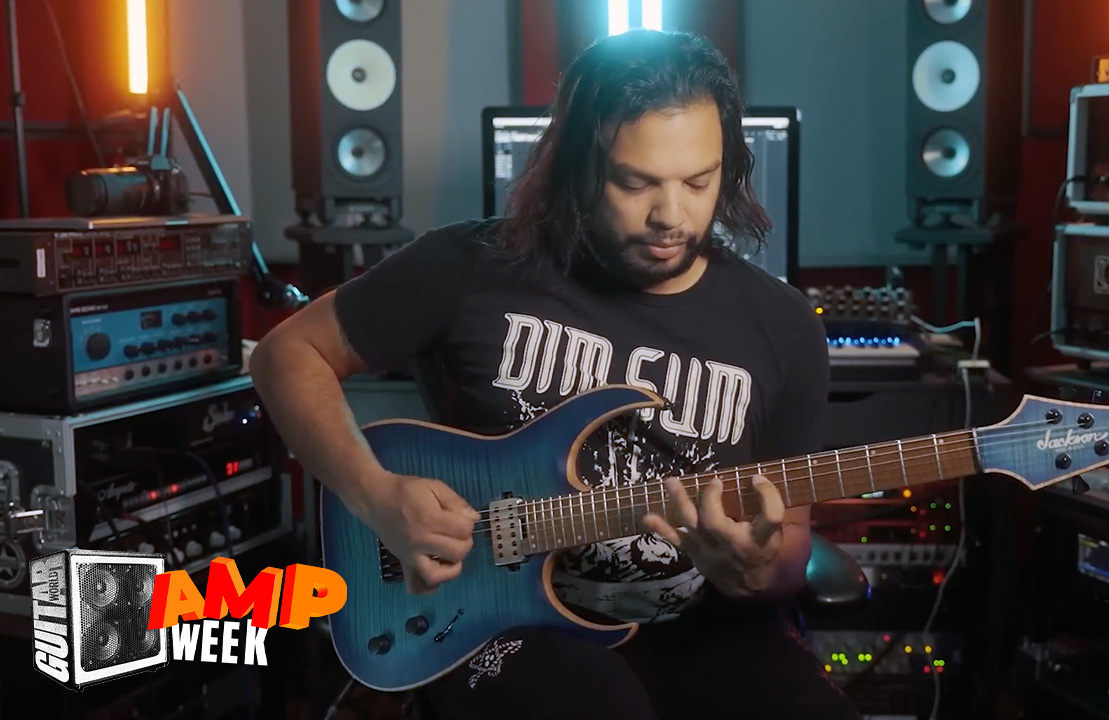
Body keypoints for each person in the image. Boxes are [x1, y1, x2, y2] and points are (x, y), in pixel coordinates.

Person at [250, 28, 861, 720]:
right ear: (577, 165)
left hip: (700, 629)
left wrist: (753, 570)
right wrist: (377, 496)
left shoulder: (783, 327)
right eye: (635, 182)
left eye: (699, 181)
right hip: (493, 621)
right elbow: (285, 355)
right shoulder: (468, 266)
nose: (671, 215)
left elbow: (789, 556)